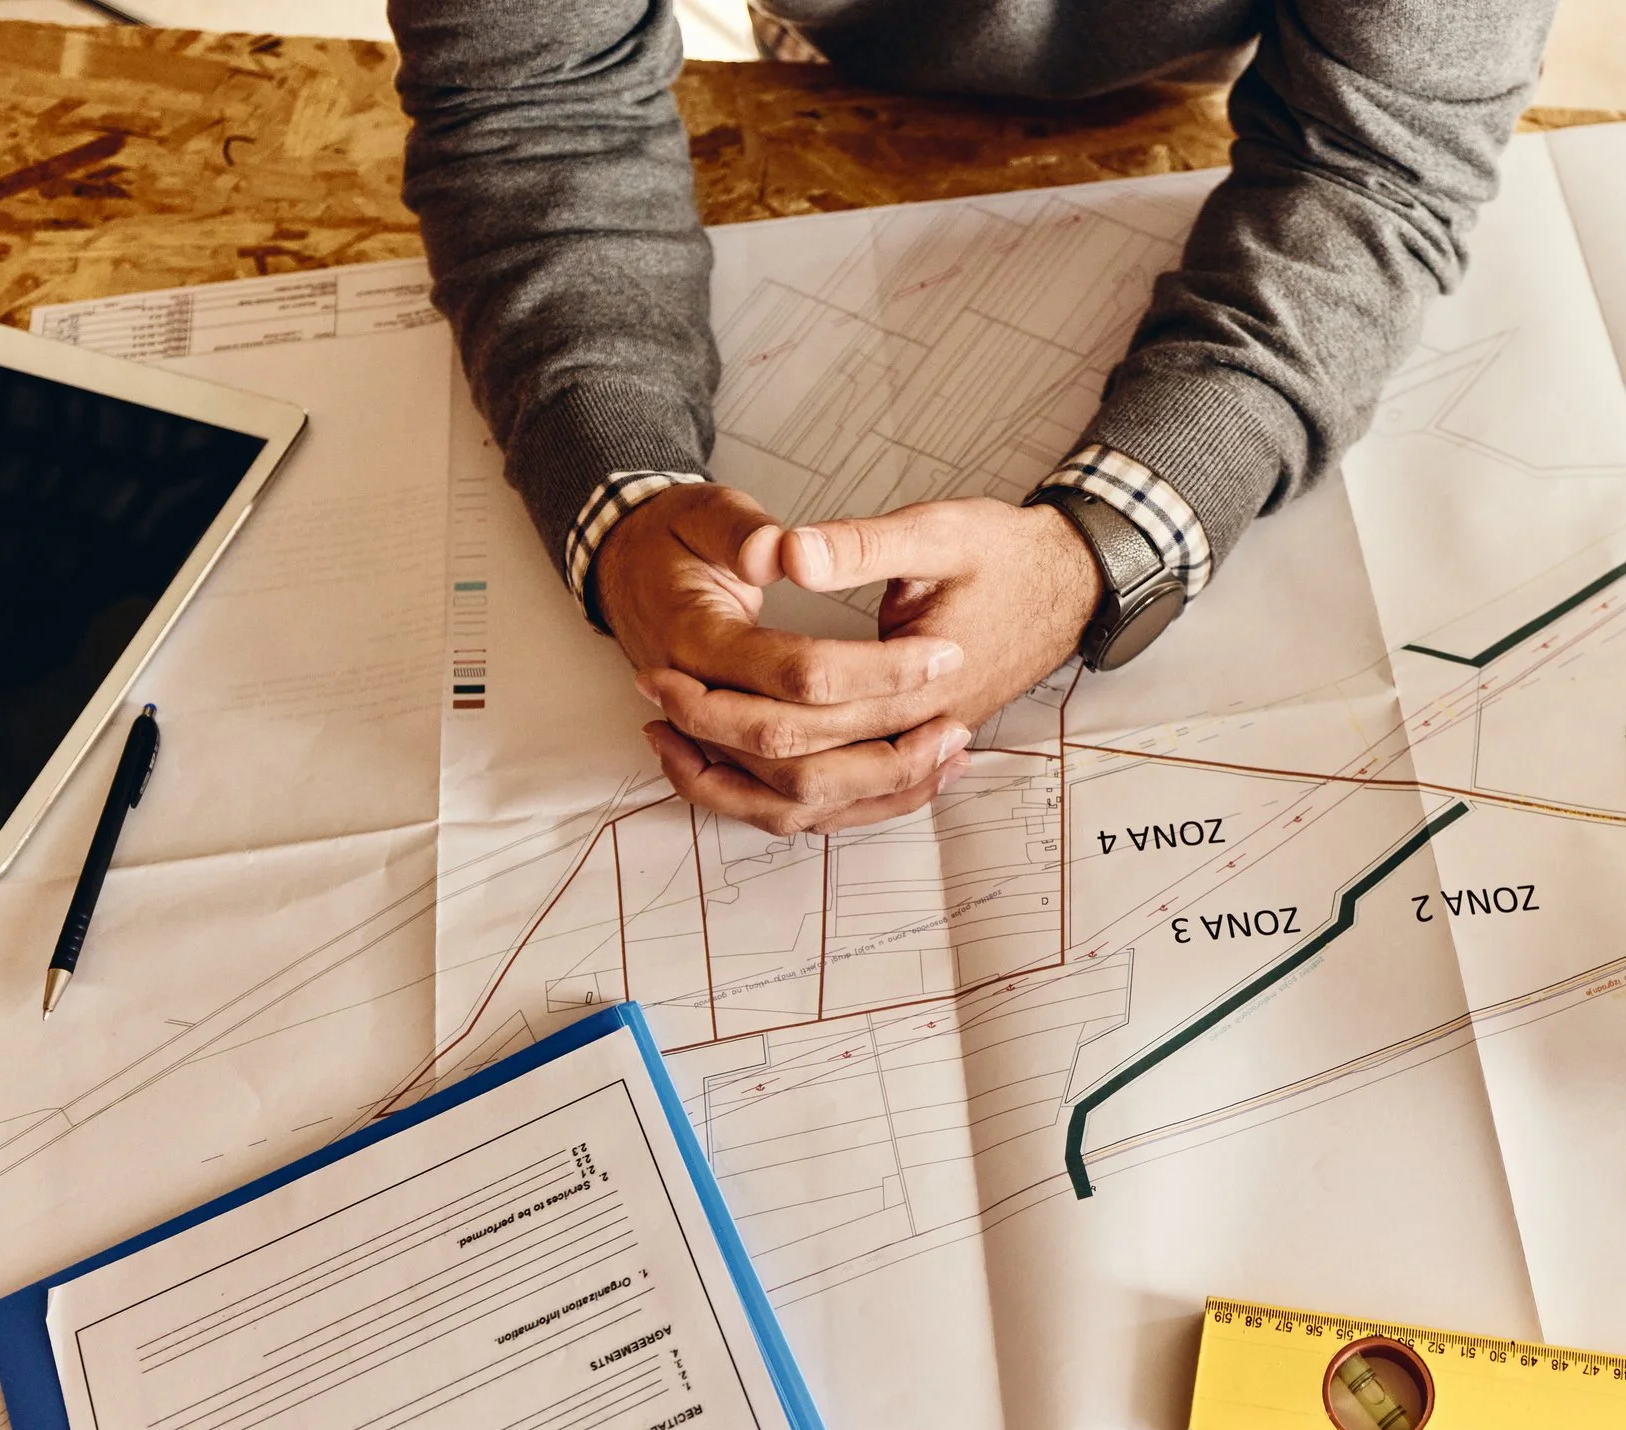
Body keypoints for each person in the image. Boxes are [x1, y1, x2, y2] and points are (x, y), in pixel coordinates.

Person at [391, 0, 1558, 834]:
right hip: (829, 53)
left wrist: (1101, 548)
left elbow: (1374, 164)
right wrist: (619, 498)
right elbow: (532, 104)